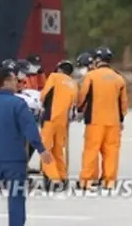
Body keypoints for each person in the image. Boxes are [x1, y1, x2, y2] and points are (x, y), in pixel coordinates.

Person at [0, 66, 53, 226]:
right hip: (14, 160)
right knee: (16, 198)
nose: (18, 82)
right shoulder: (18, 104)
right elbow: (30, 128)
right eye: (15, 79)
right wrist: (41, 149)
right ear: (6, 82)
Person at [76, 46, 129, 189]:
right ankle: (109, 181)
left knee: (91, 150)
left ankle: (87, 180)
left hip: (95, 121)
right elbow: (123, 103)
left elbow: (83, 97)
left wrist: (79, 110)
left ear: (98, 60)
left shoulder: (91, 76)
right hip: (113, 123)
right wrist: (121, 119)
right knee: (111, 152)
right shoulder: (119, 78)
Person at [39, 59, 78, 189]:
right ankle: (63, 176)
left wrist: (41, 106)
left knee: (45, 149)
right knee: (58, 151)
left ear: (59, 69)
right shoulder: (73, 84)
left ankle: (53, 177)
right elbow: (74, 105)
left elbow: (44, 94)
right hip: (63, 121)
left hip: (50, 118)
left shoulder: (54, 77)